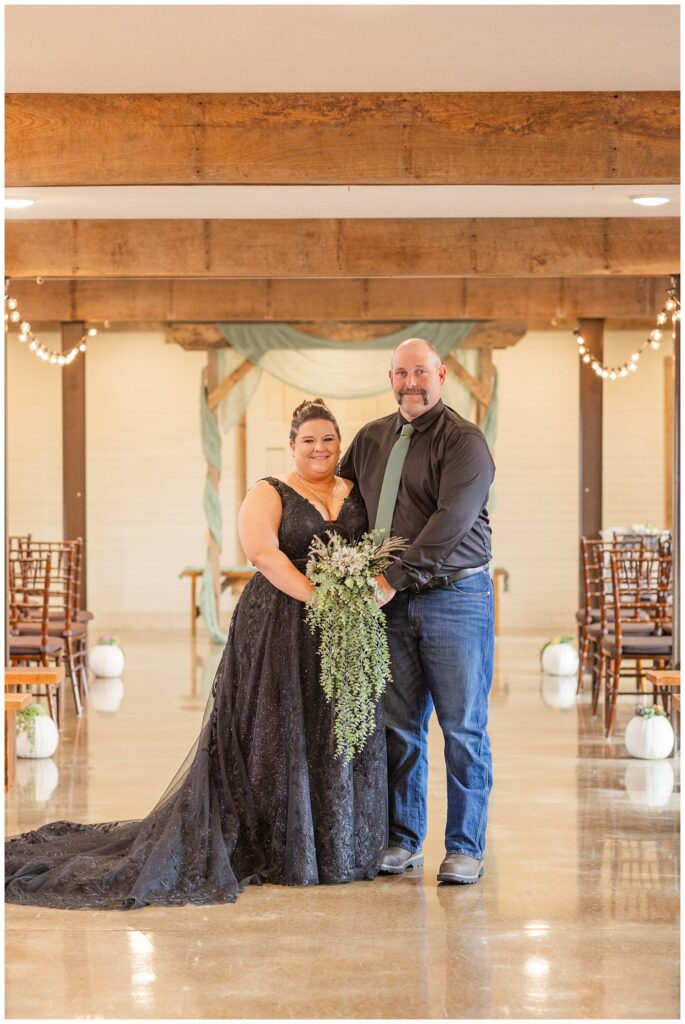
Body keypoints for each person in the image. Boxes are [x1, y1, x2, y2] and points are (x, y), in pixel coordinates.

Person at [6, 399, 386, 910]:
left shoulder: (354, 491)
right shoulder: (270, 491)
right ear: (292, 446)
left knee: (333, 728)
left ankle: (336, 847)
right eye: (309, 440)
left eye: (328, 439)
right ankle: (283, 847)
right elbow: (262, 553)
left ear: (340, 444)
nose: (320, 448)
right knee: (281, 728)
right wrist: (319, 596)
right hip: (278, 623)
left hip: (341, 633)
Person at [339, 339, 495, 885]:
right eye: (402, 373)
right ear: (390, 377)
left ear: (442, 375)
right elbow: (343, 505)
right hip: (391, 603)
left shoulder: (465, 442)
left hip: (456, 599)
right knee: (399, 727)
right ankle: (401, 839)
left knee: (462, 728)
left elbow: (449, 524)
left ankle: (465, 847)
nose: (411, 382)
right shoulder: (371, 438)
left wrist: (389, 578)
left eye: (421, 372)